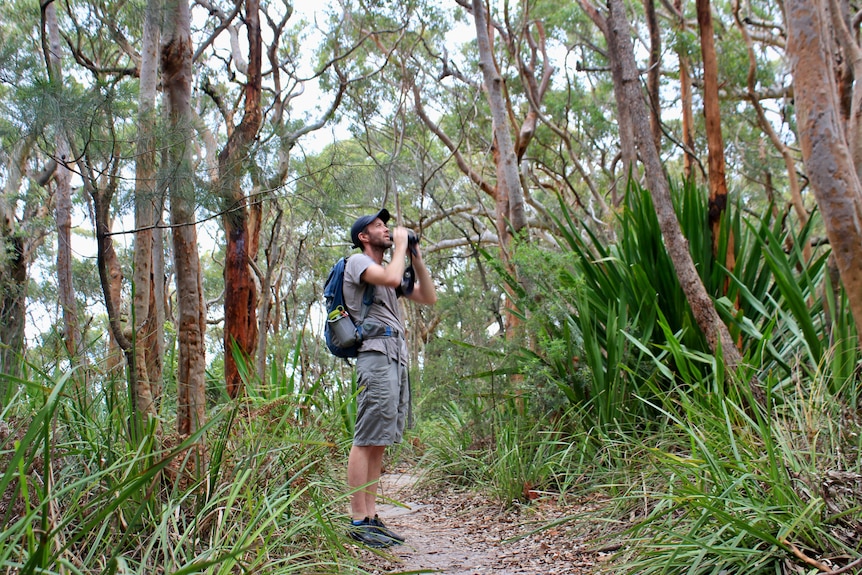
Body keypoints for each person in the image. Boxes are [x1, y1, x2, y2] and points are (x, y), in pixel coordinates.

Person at [342, 208, 437, 548]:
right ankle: (357, 519)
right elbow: (391, 279)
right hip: (375, 354)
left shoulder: (388, 269)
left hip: (394, 356)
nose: (386, 229)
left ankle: (370, 517)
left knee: (379, 438)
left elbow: (428, 296)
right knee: (366, 435)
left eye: (387, 225)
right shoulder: (358, 263)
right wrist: (399, 247)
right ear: (363, 237)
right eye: (378, 226)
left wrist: (416, 257)